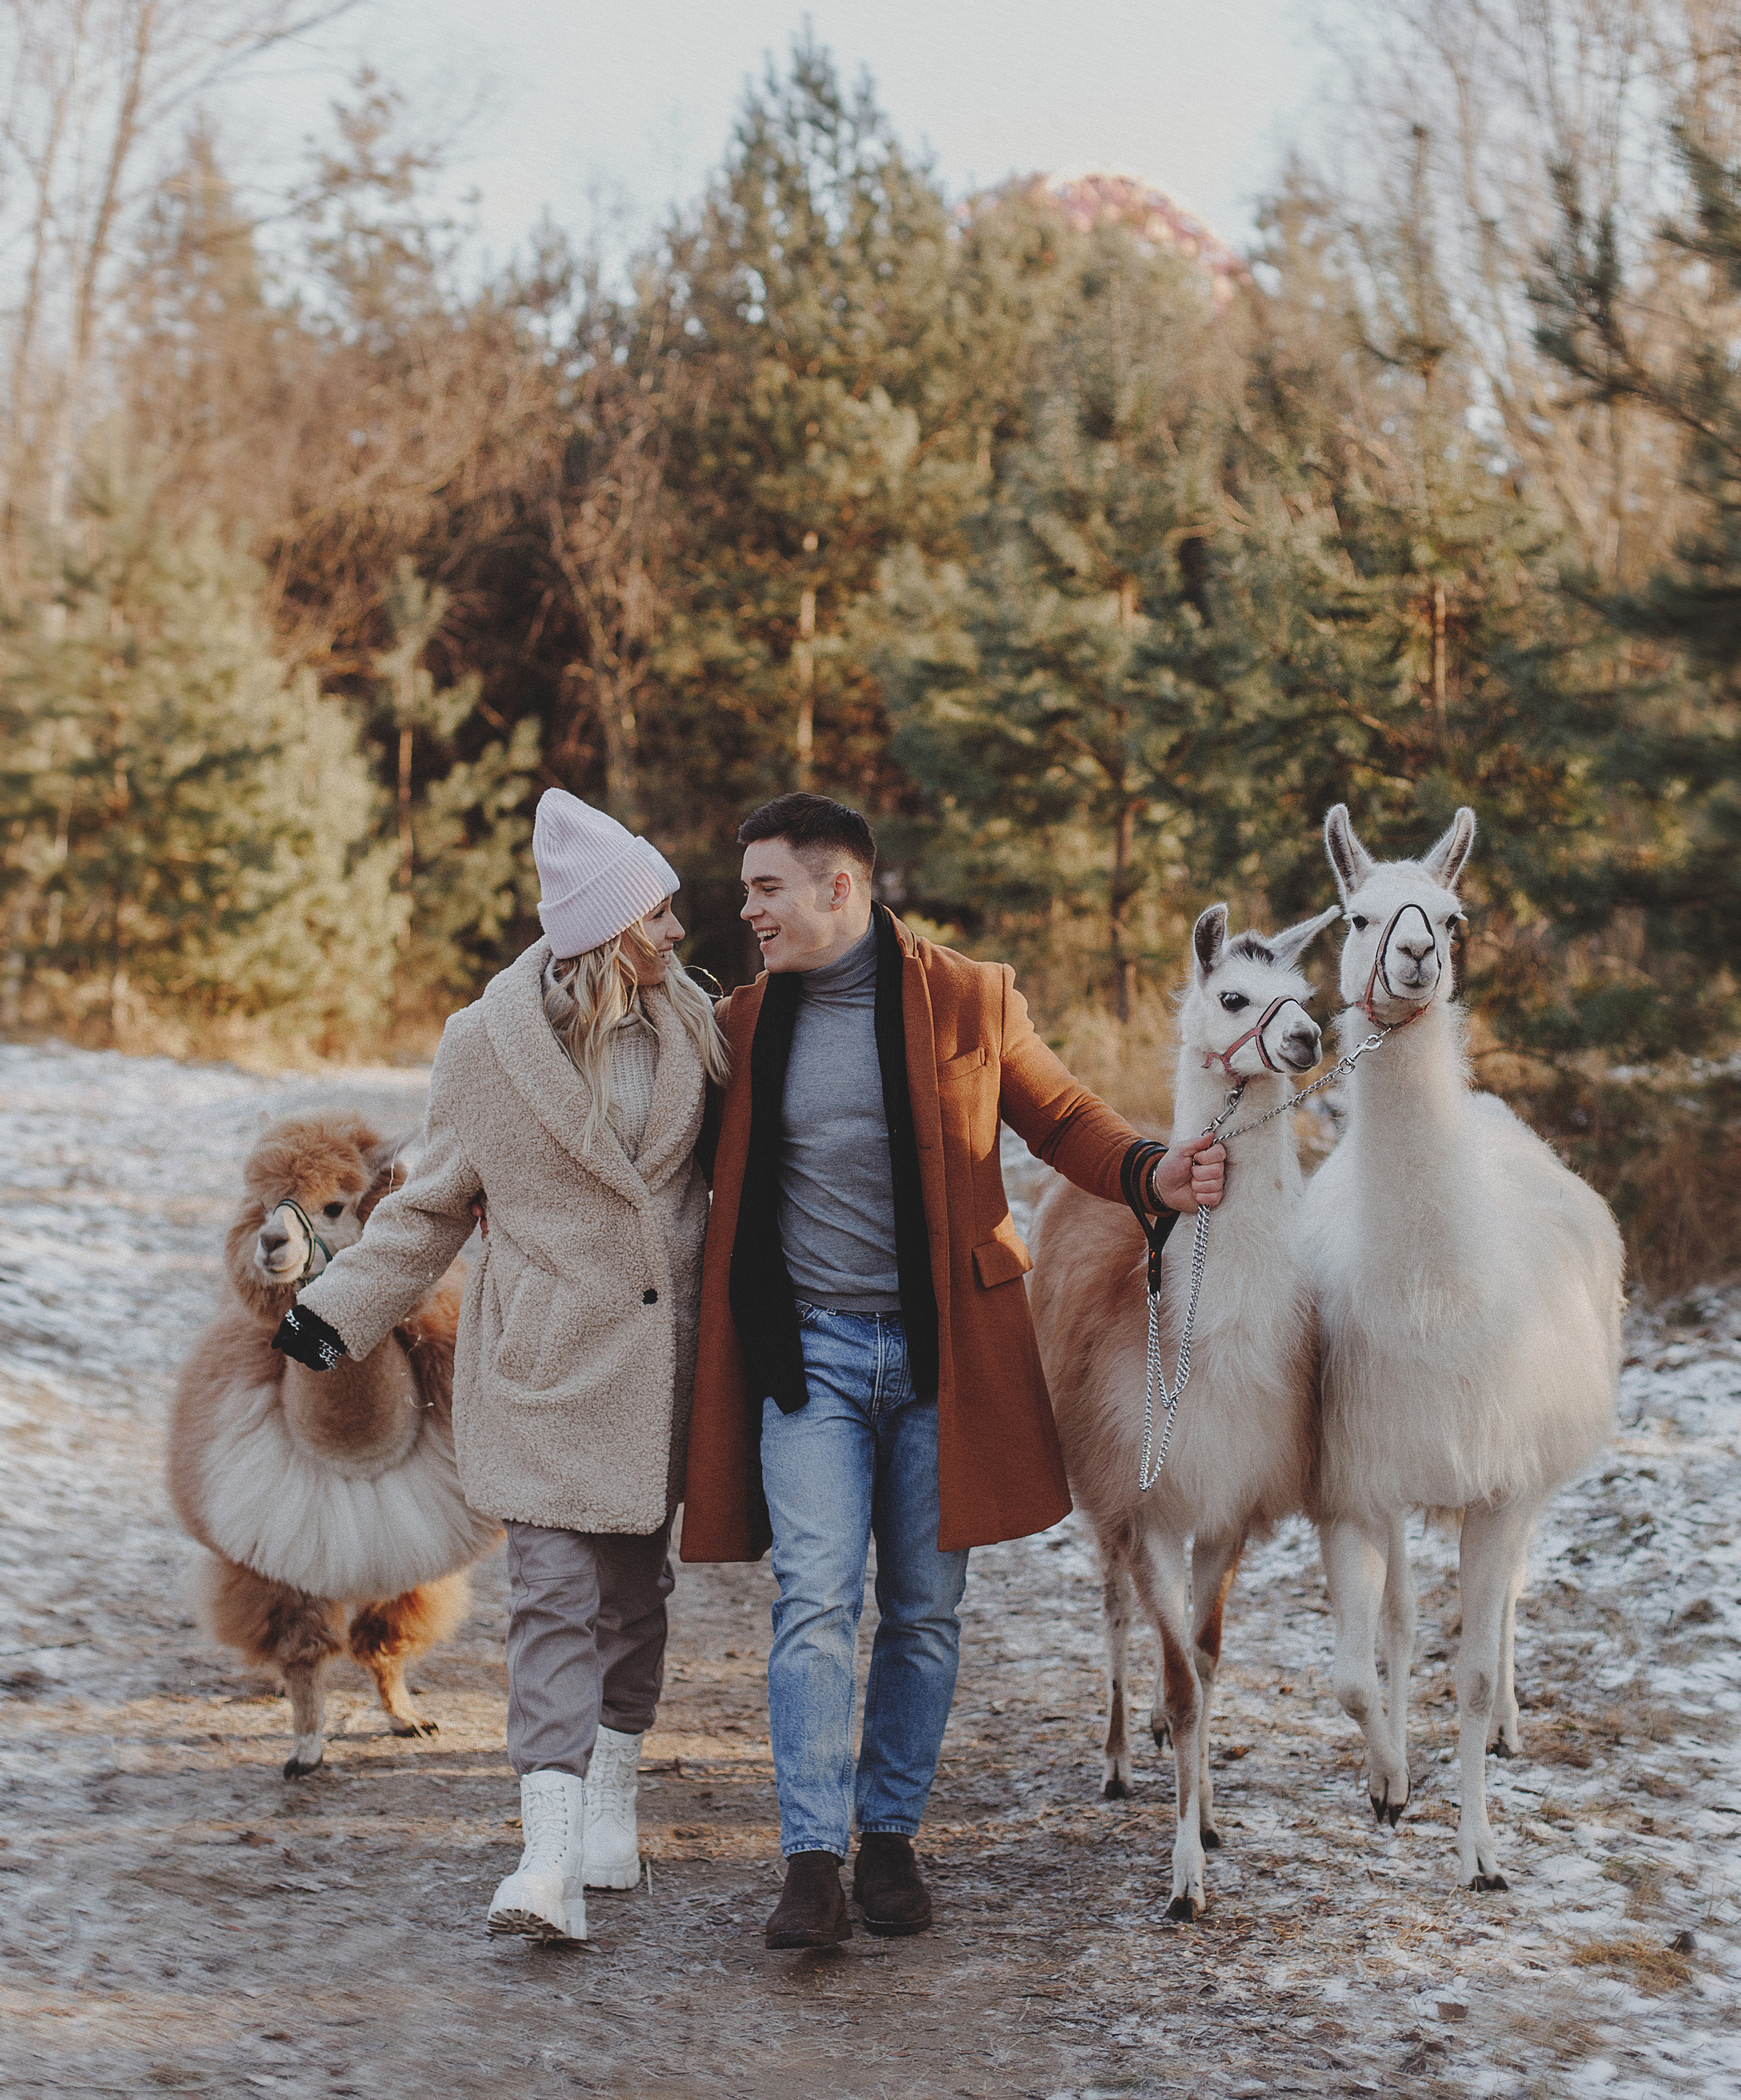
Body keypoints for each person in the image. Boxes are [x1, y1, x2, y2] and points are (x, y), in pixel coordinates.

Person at [680, 792, 1224, 1948]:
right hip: (808, 1358)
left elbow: (1059, 1114)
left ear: (840, 887)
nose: (747, 910)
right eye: (745, 892)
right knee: (815, 1599)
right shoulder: (738, 1022)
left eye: (765, 888)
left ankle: (890, 1840)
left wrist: (1149, 1172)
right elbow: (645, 1141)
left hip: (943, 1359)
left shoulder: (969, 998)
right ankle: (812, 1859)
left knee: (926, 1609)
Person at [271, 790, 729, 1944]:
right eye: (660, 911)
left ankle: (612, 1806)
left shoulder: (700, 1028)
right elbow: (431, 1203)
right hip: (539, 1364)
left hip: (655, 1364)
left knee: (634, 1596)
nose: (678, 930)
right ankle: (549, 1860)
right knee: (552, 1603)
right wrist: (334, 1319)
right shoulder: (489, 1045)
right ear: (609, 926)